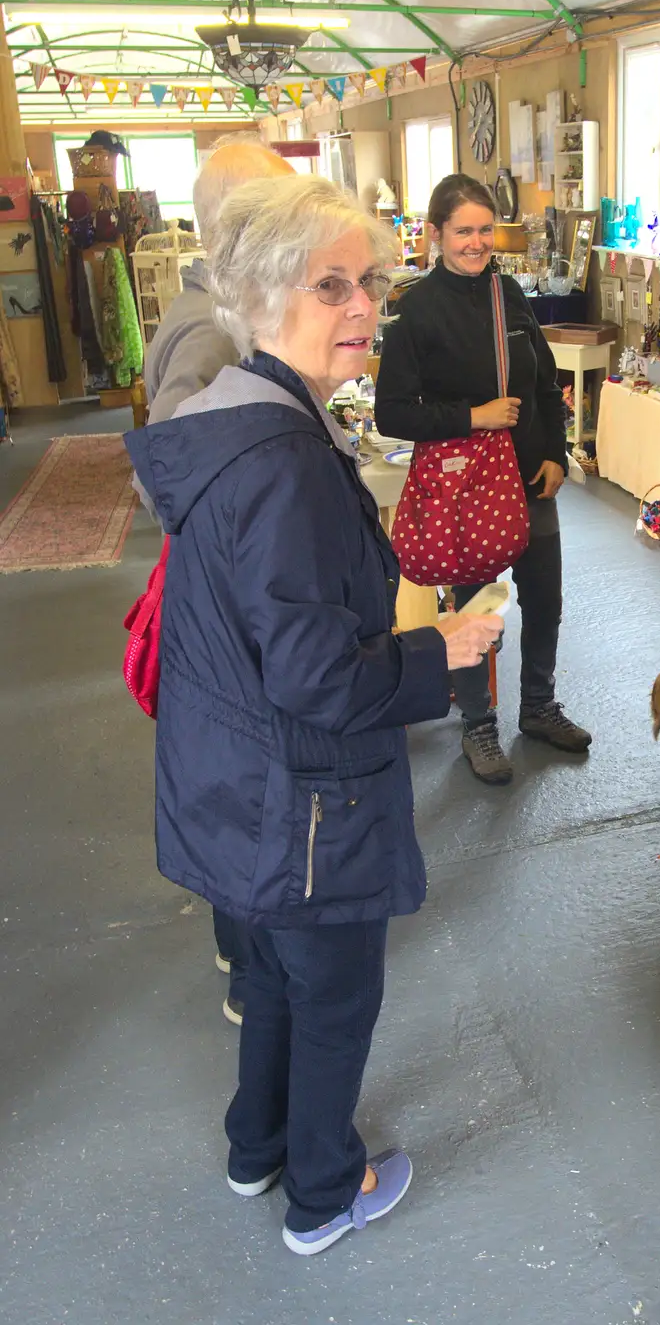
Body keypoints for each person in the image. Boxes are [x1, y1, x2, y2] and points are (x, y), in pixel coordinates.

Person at [125, 176, 503, 1256]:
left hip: (242, 791)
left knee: (280, 985)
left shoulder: (235, 425)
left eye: (368, 282)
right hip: (303, 803)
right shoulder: (283, 460)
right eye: (330, 285)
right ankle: (326, 1191)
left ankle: (258, 1146)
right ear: (258, 294)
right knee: (333, 996)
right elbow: (317, 677)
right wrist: (444, 650)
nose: (361, 309)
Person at [142, 135, 295, 1028]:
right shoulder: (206, 330)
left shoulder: (214, 313)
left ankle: (242, 942)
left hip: (222, 595)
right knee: (242, 775)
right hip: (222, 600)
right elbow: (173, 475)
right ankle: (247, 965)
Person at [374, 173, 591, 786]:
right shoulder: (415, 310)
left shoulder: (511, 295)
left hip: (528, 478)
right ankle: (478, 725)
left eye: (484, 229)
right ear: (437, 233)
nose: (476, 242)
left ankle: (540, 708)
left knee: (544, 598)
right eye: (463, 230)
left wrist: (555, 452)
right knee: (474, 609)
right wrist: (472, 418)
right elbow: (393, 412)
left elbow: (546, 382)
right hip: (463, 490)